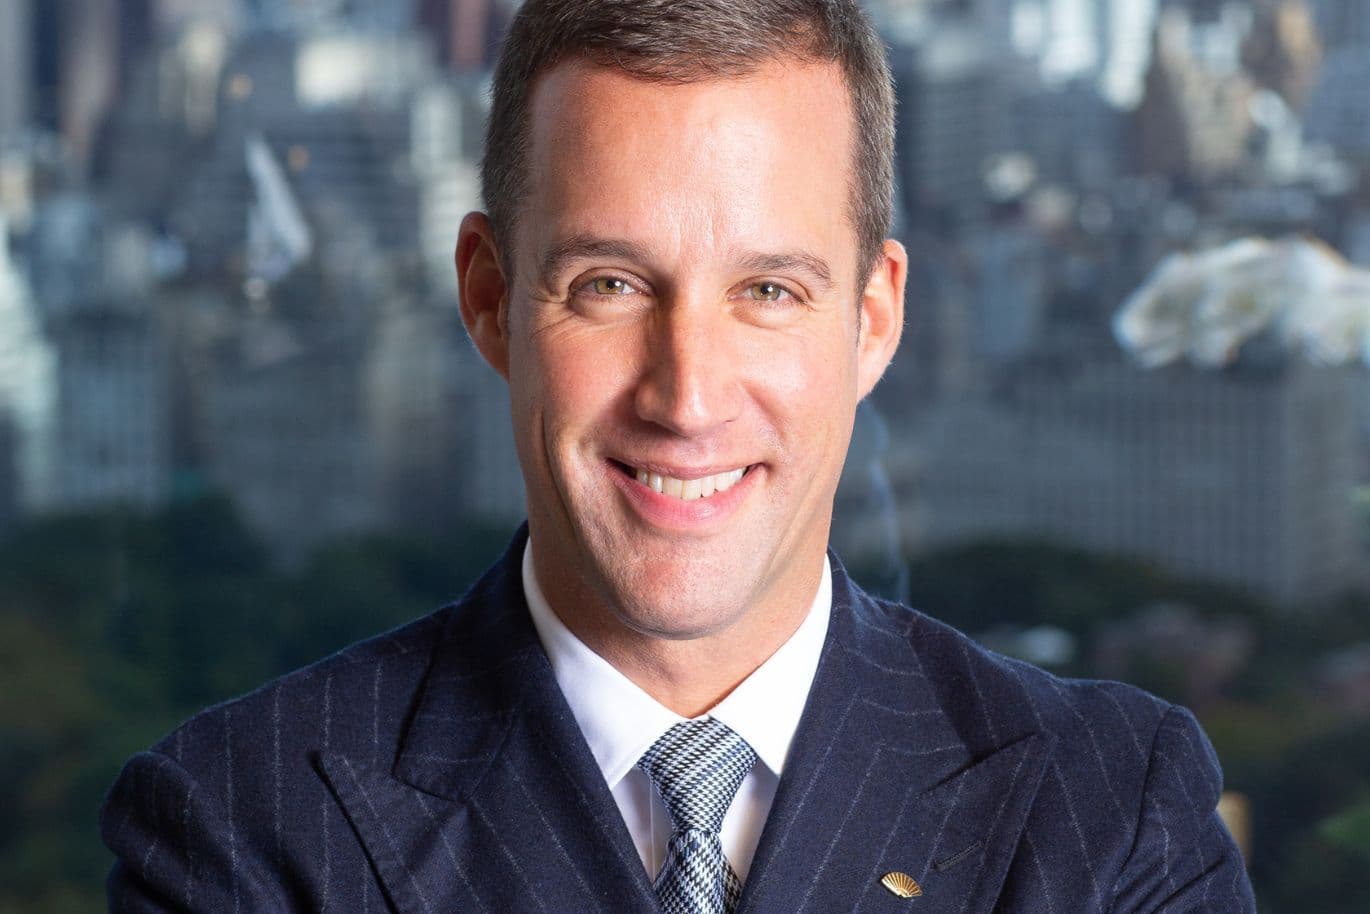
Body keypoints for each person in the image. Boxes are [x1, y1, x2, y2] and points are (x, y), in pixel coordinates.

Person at [100, 1, 1257, 911]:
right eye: (608, 285)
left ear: (871, 318)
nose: (686, 394)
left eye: (766, 290)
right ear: (488, 298)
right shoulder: (243, 830)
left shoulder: (1110, 814)